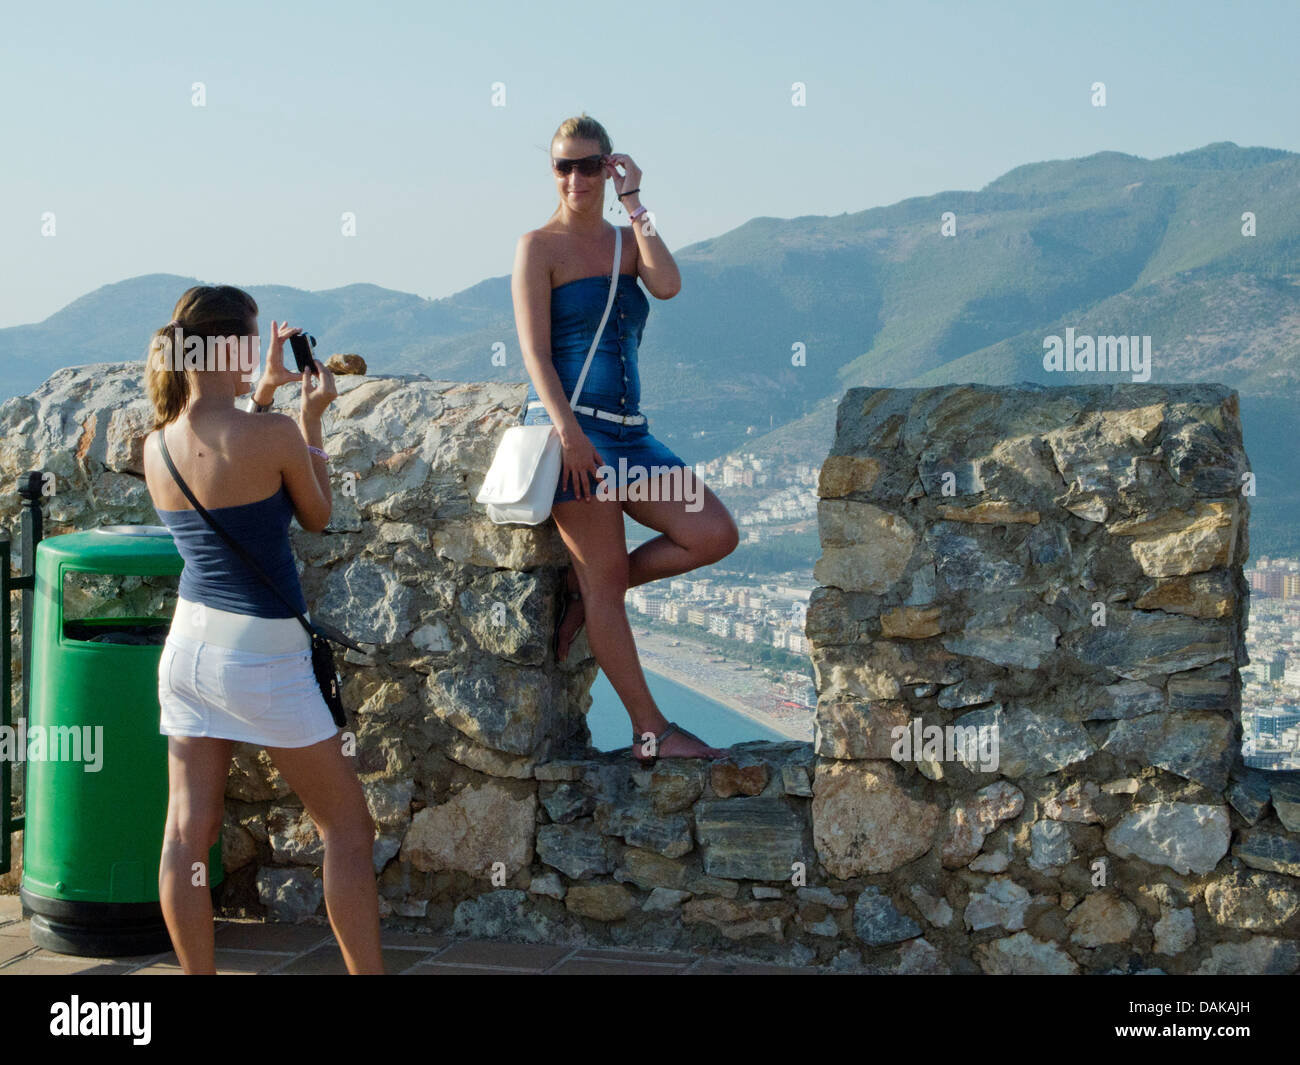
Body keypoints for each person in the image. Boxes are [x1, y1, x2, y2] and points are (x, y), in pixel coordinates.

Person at [141, 284, 383, 974]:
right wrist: (309, 418)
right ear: (233, 347)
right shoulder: (273, 434)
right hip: (261, 657)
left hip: (187, 650)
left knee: (187, 836)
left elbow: (227, 464)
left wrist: (266, 397)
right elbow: (316, 513)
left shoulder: (158, 444)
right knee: (348, 828)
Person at [513, 114, 740, 763]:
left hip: (632, 436)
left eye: (591, 165)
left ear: (608, 168)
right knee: (605, 579)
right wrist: (567, 431)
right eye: (565, 165)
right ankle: (652, 731)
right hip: (573, 431)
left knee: (714, 531)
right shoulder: (538, 246)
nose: (577, 177)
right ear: (552, 172)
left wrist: (636, 200)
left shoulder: (626, 240)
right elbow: (535, 354)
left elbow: (667, 282)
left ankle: (595, 596)